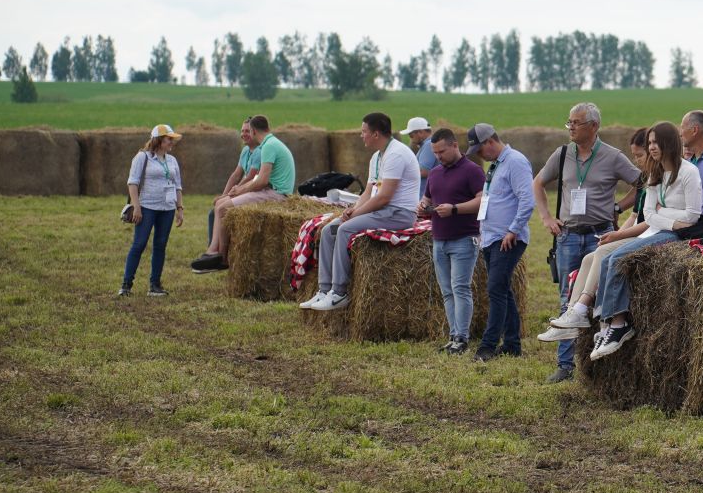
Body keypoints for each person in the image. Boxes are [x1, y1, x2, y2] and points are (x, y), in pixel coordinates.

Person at [535, 102, 641, 382]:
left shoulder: (613, 156)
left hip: (600, 234)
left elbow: (642, 183)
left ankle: (597, 367)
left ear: (593, 126)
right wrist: (547, 217)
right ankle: (565, 365)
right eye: (568, 122)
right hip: (567, 235)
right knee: (567, 300)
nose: (570, 127)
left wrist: (619, 207)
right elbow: (538, 183)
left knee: (601, 296)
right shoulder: (561, 155)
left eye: (576, 123)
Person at [587, 122, 700, 360]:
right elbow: (648, 215)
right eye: (649, 143)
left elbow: (692, 216)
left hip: (676, 235)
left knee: (619, 259)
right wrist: (666, 215)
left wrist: (663, 215)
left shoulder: (689, 172)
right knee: (608, 259)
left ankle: (620, 325)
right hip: (658, 230)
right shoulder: (654, 174)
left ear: (669, 143)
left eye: (656, 142)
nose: (652, 147)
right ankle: (606, 325)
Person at [543, 128, 656, 345]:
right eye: (635, 155)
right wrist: (618, 233)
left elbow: (650, 220)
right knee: (589, 260)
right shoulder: (563, 153)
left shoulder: (653, 180)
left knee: (603, 255)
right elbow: (635, 215)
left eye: (639, 155)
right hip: (575, 233)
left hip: (649, 235)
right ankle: (574, 314)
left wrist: (616, 234)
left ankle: (607, 323)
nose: (636, 161)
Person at [301, 112, 420, 312]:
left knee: (345, 229)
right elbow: (368, 191)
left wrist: (355, 216)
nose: (361, 135)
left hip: (399, 214)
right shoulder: (377, 156)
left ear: (375, 134)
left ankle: (340, 293)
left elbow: (384, 197)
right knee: (329, 230)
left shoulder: (396, 154)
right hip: (382, 210)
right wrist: (352, 210)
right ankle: (324, 290)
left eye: (363, 132)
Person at [462, 123, 533, 361]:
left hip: (508, 238)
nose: (479, 156)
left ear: (490, 142)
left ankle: (487, 346)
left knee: (495, 289)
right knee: (503, 290)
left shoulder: (515, 162)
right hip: (492, 237)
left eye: (480, 150)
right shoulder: (495, 165)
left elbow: (527, 199)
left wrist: (513, 230)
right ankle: (512, 344)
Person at [191, 115, 295, 271]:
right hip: (273, 190)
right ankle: (214, 252)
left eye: (248, 130)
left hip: (276, 194)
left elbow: (261, 181)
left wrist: (239, 190)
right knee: (221, 206)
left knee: (221, 209)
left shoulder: (268, 146)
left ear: (253, 131)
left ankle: (222, 259)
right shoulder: (272, 143)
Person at [418, 127, 484, 355]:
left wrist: (455, 209)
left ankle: (462, 338)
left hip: (464, 239)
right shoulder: (435, 173)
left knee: (460, 288)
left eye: (442, 151)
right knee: (447, 291)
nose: (438, 157)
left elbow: (482, 201)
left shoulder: (473, 171)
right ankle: (453, 335)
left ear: (455, 145)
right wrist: (423, 207)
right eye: (435, 152)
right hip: (439, 239)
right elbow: (427, 198)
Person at [119, 124, 184, 297]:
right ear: (158, 139)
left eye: (172, 139)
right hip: (146, 207)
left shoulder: (172, 160)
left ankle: (155, 285)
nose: (172, 142)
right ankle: (126, 285)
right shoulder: (142, 157)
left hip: (167, 208)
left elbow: (178, 186)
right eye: (169, 139)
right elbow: (132, 183)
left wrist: (179, 208)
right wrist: (137, 207)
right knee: (139, 244)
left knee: (160, 246)